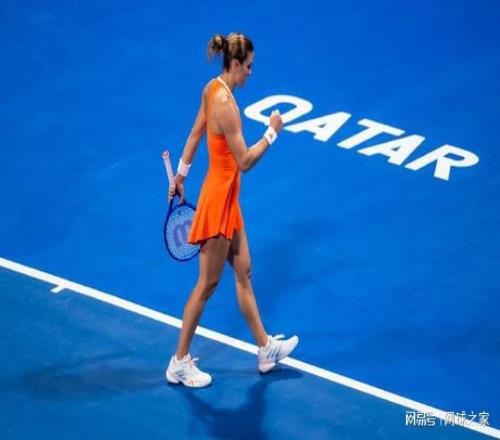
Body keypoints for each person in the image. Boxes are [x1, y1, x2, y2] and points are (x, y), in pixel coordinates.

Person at [166, 33, 298, 388]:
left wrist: (180, 175)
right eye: (249, 67)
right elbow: (245, 161)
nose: (251, 73)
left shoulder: (212, 88)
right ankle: (178, 362)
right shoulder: (225, 104)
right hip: (217, 201)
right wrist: (272, 133)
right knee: (207, 285)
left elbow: (195, 135)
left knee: (244, 270)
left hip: (227, 200)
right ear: (235, 64)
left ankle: (265, 349)